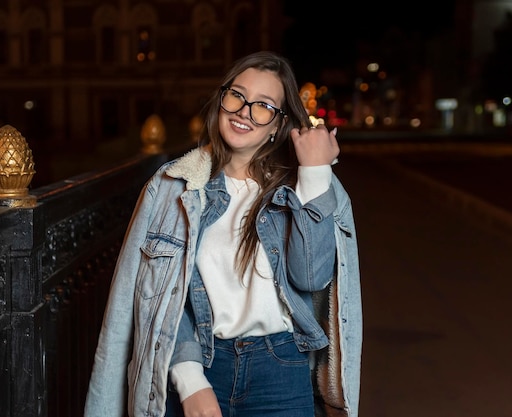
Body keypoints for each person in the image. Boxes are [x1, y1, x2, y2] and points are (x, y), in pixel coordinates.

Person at [84, 50, 362, 417]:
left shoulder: (304, 189)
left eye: (263, 105)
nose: (244, 111)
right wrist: (190, 377)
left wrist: (314, 171)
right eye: (238, 95)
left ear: (278, 124)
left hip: (279, 371)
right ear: (222, 98)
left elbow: (309, 276)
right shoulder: (172, 187)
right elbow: (153, 296)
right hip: (198, 364)